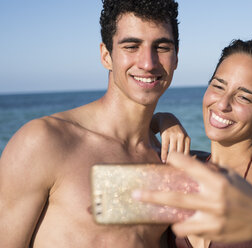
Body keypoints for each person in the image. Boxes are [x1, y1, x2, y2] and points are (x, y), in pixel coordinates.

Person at [0, 0, 189, 247]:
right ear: (106, 56)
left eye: (162, 47)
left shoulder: (166, 160)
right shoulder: (45, 141)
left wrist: (164, 120)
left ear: (175, 59)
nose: (148, 63)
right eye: (131, 46)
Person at [136, 39, 252, 248]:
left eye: (244, 97)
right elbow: (123, 137)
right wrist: (162, 119)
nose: (223, 104)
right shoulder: (188, 165)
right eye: (218, 86)